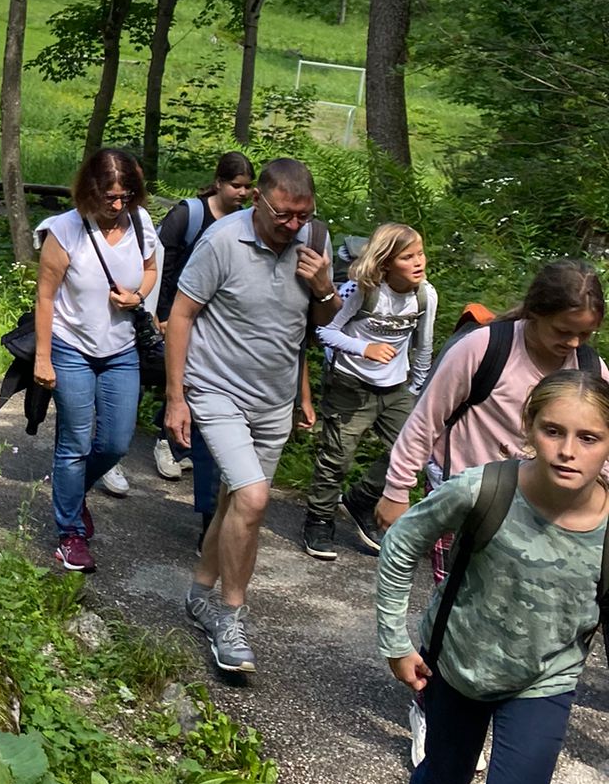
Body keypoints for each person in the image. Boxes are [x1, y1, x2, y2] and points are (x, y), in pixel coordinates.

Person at [379, 367, 609, 784]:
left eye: (589, 437)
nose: (569, 449)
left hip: (543, 684)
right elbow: (401, 544)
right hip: (459, 666)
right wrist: (396, 640)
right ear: (527, 430)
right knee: (441, 783)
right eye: (554, 431)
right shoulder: (486, 490)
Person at [164, 157, 331, 676]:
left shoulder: (313, 245)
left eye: (303, 216)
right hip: (217, 391)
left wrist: (324, 287)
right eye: (284, 214)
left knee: (236, 501)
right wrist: (176, 397)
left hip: (274, 400)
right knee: (255, 500)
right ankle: (232, 620)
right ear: (258, 198)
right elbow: (180, 315)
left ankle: (199, 594)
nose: (293, 226)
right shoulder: (221, 241)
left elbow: (315, 326)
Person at [374, 261, 607, 536]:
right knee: (454, 579)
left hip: (536, 509)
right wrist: (397, 489)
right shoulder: (485, 347)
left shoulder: (590, 369)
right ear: (535, 312)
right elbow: (426, 419)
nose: (574, 343)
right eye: (563, 331)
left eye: (585, 334)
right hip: (461, 495)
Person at [33, 148, 158, 573]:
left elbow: (151, 269)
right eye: (110, 197)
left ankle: (70, 492)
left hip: (121, 350)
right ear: (90, 191)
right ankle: (70, 534)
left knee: (116, 443)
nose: (118, 205)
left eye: (125, 196)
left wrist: (137, 296)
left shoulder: (140, 223)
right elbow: (45, 297)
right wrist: (44, 359)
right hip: (71, 347)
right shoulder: (64, 230)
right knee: (75, 441)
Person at [302, 222, 437, 560]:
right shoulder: (362, 290)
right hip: (351, 386)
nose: (419, 262)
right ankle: (319, 519)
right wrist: (365, 349)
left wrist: (417, 387)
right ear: (387, 262)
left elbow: (424, 346)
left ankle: (361, 499)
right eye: (408, 257)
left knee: (413, 451)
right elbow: (325, 333)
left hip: (396, 389)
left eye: (420, 254)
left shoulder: (425, 294)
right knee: (337, 457)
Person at [152, 153, 256, 527]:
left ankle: (186, 441)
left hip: (221, 322)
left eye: (247, 186)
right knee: (181, 379)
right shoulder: (189, 215)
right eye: (236, 186)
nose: (242, 193)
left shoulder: (250, 223)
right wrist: (163, 313)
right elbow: (164, 266)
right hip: (183, 313)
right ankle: (169, 439)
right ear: (218, 182)